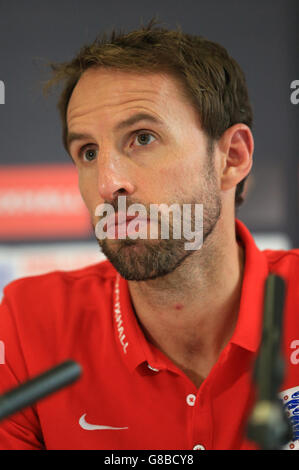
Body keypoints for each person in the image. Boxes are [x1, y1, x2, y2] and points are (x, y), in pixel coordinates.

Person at [0, 18, 298, 451]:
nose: (107, 183)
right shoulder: (29, 322)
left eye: (142, 138)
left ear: (231, 158)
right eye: (87, 151)